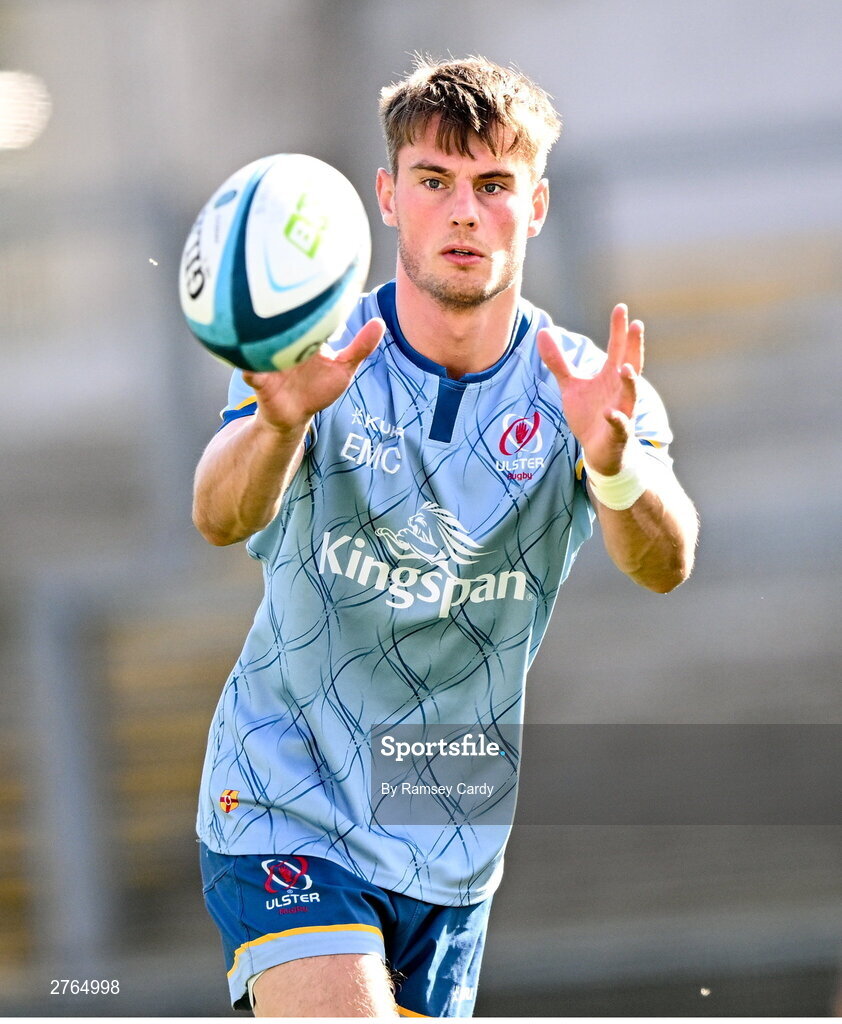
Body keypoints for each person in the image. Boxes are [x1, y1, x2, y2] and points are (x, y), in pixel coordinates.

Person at [191, 55, 698, 1018]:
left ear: (535, 205)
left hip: (446, 810)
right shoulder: (310, 354)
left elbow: (667, 563)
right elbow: (218, 516)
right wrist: (279, 423)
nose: (464, 211)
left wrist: (616, 465)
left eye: (493, 185)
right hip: (281, 784)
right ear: (389, 196)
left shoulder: (586, 388)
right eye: (435, 181)